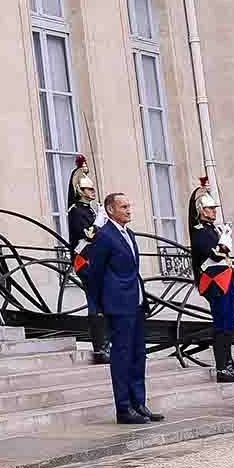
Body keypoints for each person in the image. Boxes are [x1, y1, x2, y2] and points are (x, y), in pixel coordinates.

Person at [85, 190, 162, 424]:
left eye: (129, 206)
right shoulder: (104, 236)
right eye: (123, 207)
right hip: (118, 305)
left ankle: (139, 403)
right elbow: (94, 272)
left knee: (139, 355)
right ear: (110, 210)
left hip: (135, 302)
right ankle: (124, 408)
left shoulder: (129, 233)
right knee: (122, 357)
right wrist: (97, 304)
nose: (129, 211)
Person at [188, 177, 234, 383]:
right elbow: (216, 255)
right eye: (210, 209)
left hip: (226, 280)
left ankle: (229, 364)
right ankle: (222, 368)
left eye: (214, 208)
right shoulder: (199, 232)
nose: (214, 211)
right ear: (201, 210)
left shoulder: (212, 229)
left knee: (228, 324)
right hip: (215, 283)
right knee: (221, 324)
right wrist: (225, 239)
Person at [65, 156, 109, 365]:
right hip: (85, 261)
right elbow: (89, 235)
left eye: (92, 189)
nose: (92, 192)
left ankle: (106, 344)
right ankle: (99, 347)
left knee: (103, 301)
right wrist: (100, 221)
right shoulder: (76, 212)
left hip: (97, 261)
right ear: (80, 191)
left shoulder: (90, 210)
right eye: (88, 190)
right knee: (95, 302)